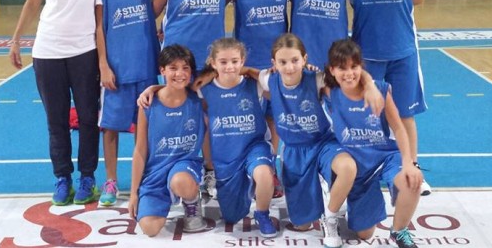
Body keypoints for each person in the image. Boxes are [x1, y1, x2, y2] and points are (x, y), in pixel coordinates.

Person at [8, 0, 113, 205]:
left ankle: (88, 177)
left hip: (85, 49)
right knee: (56, 120)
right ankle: (62, 178)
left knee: (89, 117)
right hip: (48, 48)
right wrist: (16, 39)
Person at [257, 33, 383, 248]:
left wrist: (370, 84)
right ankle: (322, 195)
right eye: (283, 62)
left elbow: (349, 75)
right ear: (273, 64)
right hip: (295, 151)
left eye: (295, 60)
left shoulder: (317, 79)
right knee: (303, 224)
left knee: (348, 168)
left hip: (324, 143)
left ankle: (331, 218)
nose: (289, 67)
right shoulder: (267, 79)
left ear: (305, 59)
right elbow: (246, 73)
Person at [343, 0, 429, 195]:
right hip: (367, 54)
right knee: (369, 114)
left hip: (402, 51)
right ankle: (370, 169)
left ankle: (412, 167)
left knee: (404, 113)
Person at [152, 0, 233, 196]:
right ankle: (175, 171)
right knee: (177, 118)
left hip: (211, 62)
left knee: (210, 120)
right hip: (178, 62)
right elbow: (154, 11)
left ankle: (210, 172)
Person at [324, 39, 422, 248]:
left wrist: (408, 162)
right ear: (332, 70)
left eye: (354, 67)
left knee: (412, 179)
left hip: (383, 156)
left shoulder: (380, 90)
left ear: (361, 67)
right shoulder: (329, 90)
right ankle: (340, 202)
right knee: (365, 234)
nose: (349, 73)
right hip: (358, 164)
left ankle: (399, 231)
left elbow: (398, 128)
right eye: (342, 68)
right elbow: (294, 71)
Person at [224, 0, 290, 197]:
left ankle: (271, 171)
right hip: (246, 67)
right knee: (247, 121)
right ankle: (246, 170)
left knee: (274, 122)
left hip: (278, 67)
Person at [94, 0, 160, 207]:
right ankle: (110, 180)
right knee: (110, 127)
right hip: (117, 71)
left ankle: (141, 178)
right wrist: (103, 66)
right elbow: (99, 28)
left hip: (146, 68)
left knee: (144, 129)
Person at [199, 38, 277, 237]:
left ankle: (262, 213)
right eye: (223, 62)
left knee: (264, 174)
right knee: (232, 216)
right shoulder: (204, 90)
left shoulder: (254, 84)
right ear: (213, 63)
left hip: (254, 146)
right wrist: (152, 88)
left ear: (242, 61)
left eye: (235, 61)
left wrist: (252, 71)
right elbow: (177, 94)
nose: (230, 66)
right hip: (226, 155)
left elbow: (279, 85)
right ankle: (246, 185)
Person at [129, 45, 206, 237]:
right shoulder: (148, 104)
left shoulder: (199, 100)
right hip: (155, 172)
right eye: (173, 68)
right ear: (162, 70)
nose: (180, 73)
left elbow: (223, 74)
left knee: (181, 181)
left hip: (184, 166)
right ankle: (167, 194)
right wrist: (133, 193)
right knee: (150, 228)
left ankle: (190, 201)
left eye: (185, 68)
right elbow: (140, 150)